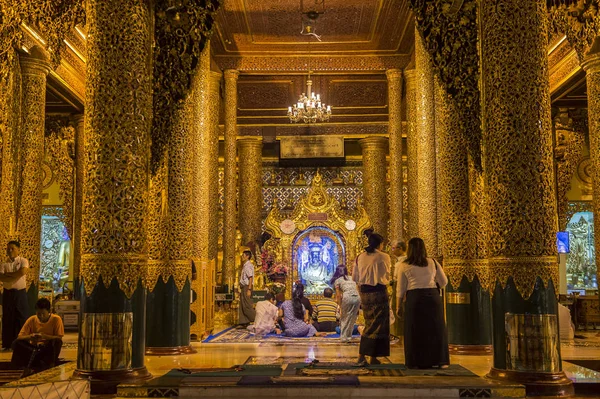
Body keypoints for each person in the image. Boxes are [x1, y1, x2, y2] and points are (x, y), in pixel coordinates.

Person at [397, 237, 449, 369]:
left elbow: (401, 288)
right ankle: (440, 361)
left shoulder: (404, 265)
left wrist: (398, 306)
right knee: (435, 328)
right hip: (432, 297)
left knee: (415, 329)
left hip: (415, 298)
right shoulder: (433, 262)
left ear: (409, 250)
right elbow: (443, 282)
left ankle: (415, 361)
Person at [352, 233, 391, 365]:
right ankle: (362, 355)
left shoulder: (360, 257)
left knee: (370, 322)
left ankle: (373, 356)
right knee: (378, 324)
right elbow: (386, 275)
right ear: (380, 244)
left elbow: (355, 277)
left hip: (364, 292)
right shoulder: (384, 256)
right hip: (379, 291)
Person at [11, 298, 64, 373]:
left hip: (47, 349)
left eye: (43, 314)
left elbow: (59, 337)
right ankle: (18, 368)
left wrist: (45, 337)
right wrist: (30, 337)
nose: (41, 316)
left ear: (49, 312)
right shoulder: (32, 319)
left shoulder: (56, 319)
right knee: (17, 342)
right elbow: (20, 337)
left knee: (57, 342)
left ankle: (50, 364)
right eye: (39, 314)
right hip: (33, 348)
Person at [0, 241, 30, 351]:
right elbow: (1, 277)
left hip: (20, 293)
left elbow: (22, 272)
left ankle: (21, 343)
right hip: (7, 293)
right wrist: (14, 275)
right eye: (8, 248)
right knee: (8, 317)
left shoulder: (23, 261)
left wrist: (9, 276)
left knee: (21, 317)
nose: (10, 250)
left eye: (12, 248)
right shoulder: (3, 263)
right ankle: (8, 344)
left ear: (18, 249)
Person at [331, 264, 360, 342]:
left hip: (347, 297)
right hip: (357, 297)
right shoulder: (352, 278)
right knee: (352, 318)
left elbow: (338, 295)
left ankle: (344, 337)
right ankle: (349, 336)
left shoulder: (338, 281)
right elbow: (357, 288)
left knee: (344, 317)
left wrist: (340, 306)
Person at [237, 250, 255, 327]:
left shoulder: (248, 266)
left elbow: (250, 277)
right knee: (242, 304)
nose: (242, 257)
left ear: (247, 256)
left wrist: (249, 289)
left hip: (247, 287)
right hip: (244, 287)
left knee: (247, 305)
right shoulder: (245, 265)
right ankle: (244, 322)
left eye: (243, 255)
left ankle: (256, 318)